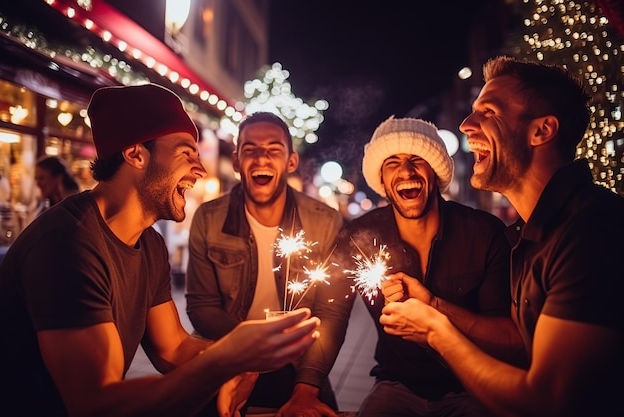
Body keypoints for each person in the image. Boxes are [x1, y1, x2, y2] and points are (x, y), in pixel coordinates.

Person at [0, 83, 321, 417]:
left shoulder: (149, 243)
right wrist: (225, 358)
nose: (200, 170)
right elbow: (95, 403)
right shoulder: (66, 245)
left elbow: (174, 347)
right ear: (136, 153)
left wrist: (237, 361)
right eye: (186, 153)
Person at [379, 55, 624, 416]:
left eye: (489, 112)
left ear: (541, 131)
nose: (465, 125)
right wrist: (433, 306)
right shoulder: (529, 235)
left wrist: (435, 331)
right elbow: (522, 348)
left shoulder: (590, 231)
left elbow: (548, 400)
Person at [331, 116, 526, 417]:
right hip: (397, 384)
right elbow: (331, 313)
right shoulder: (358, 239)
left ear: (435, 172)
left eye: (417, 159)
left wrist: (435, 307)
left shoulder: (484, 233)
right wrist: (306, 385)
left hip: (472, 384)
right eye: (392, 162)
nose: (406, 171)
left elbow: (510, 340)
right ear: (381, 180)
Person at [186, 111, 349, 416]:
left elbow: (332, 312)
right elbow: (201, 306)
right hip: (229, 355)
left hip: (298, 362)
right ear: (236, 162)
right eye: (250, 150)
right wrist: (250, 348)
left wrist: (307, 388)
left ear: (291, 162)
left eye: (274, 149)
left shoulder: (325, 221)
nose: (261, 159)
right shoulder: (208, 219)